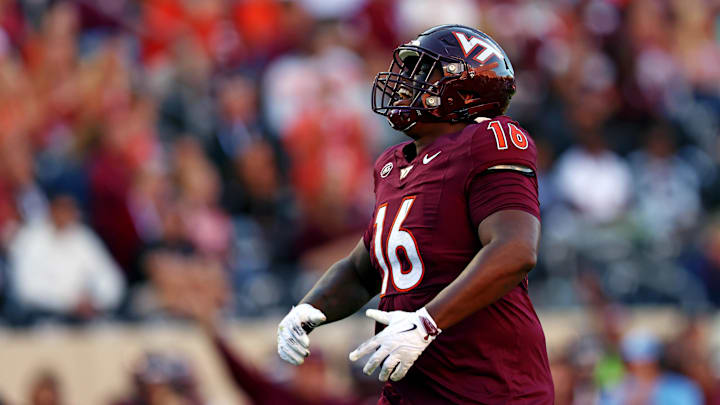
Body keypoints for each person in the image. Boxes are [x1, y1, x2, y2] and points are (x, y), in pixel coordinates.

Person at [277, 24, 554, 404]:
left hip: (489, 387)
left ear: (466, 88)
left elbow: (516, 249)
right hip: (414, 387)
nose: (406, 82)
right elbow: (364, 269)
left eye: (424, 72)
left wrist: (427, 321)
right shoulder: (392, 165)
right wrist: (308, 309)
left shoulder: (489, 140)